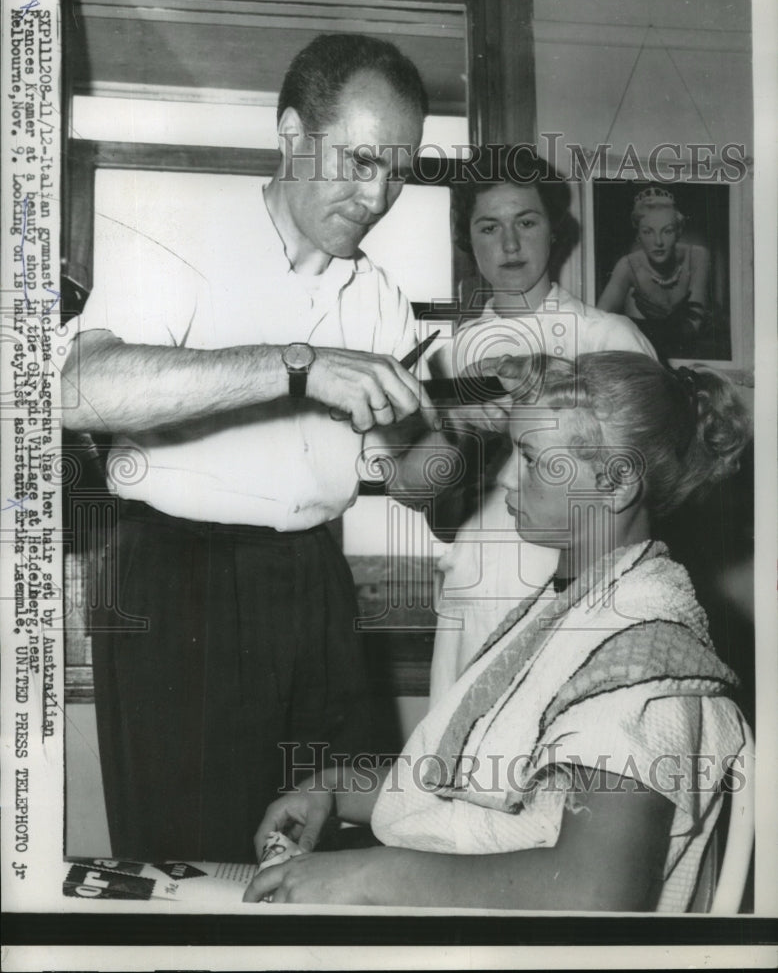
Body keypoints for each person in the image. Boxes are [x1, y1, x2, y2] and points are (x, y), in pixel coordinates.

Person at [61, 33, 436, 863]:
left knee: (326, 840)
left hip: (313, 580)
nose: (378, 195)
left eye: (399, 171)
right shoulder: (179, 234)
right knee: (196, 852)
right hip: (174, 578)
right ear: (294, 136)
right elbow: (78, 389)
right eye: (361, 160)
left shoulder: (378, 297)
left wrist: (468, 437)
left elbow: (412, 480)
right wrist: (298, 368)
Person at [243, 350, 750, 911]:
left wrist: (368, 874)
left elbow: (595, 892)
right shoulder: (564, 610)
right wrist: (335, 789)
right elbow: (488, 788)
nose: (509, 478)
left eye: (532, 459)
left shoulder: (642, 658)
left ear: (617, 483)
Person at [424, 148, 657, 704]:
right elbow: (439, 517)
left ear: (555, 231)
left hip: (577, 598)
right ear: (468, 241)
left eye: (526, 222)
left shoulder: (609, 338)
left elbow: (651, 496)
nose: (509, 245)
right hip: (476, 591)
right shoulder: (444, 359)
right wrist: (462, 441)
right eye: (489, 227)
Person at [596, 186, 711, 358]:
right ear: (638, 235)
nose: (658, 242)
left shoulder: (697, 257)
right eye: (648, 232)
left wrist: (641, 327)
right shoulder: (628, 265)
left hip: (691, 358)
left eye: (667, 231)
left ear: (679, 232)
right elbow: (598, 324)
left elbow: (693, 327)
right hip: (645, 357)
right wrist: (668, 326)